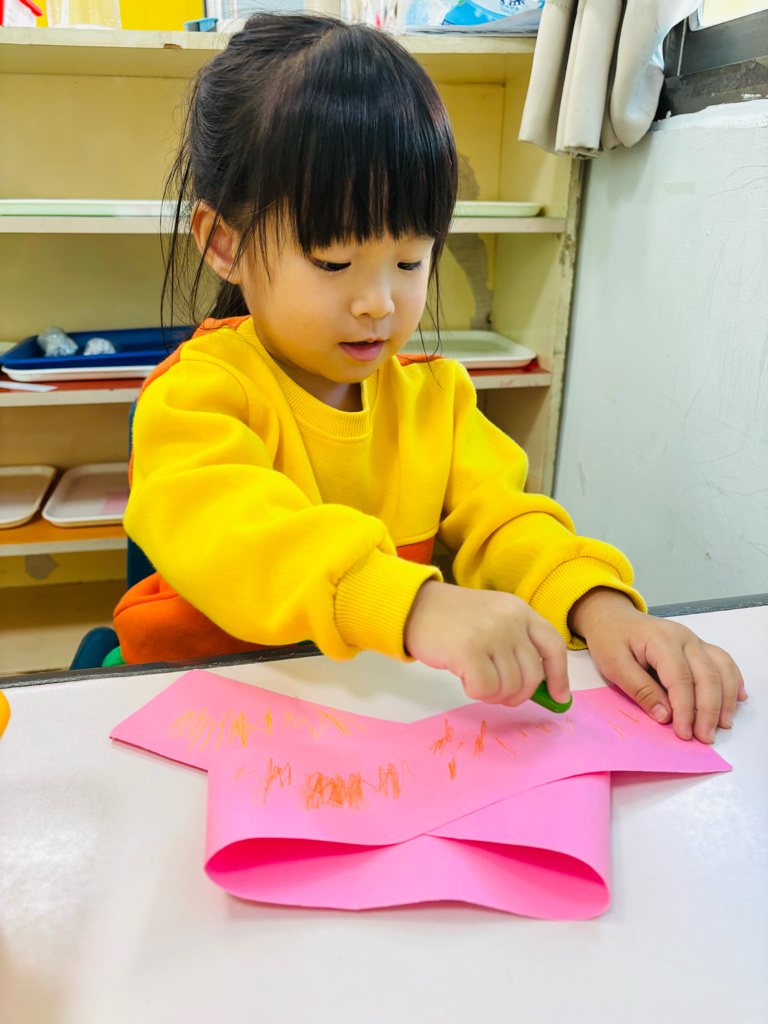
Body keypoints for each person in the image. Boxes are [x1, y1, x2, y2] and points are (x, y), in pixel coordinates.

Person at [114, 13, 746, 744]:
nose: (379, 303)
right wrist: (415, 606)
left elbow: (507, 523)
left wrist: (599, 607)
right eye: (333, 262)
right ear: (225, 243)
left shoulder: (436, 399)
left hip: (368, 718)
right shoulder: (194, 398)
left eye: (410, 260)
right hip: (205, 712)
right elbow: (239, 536)